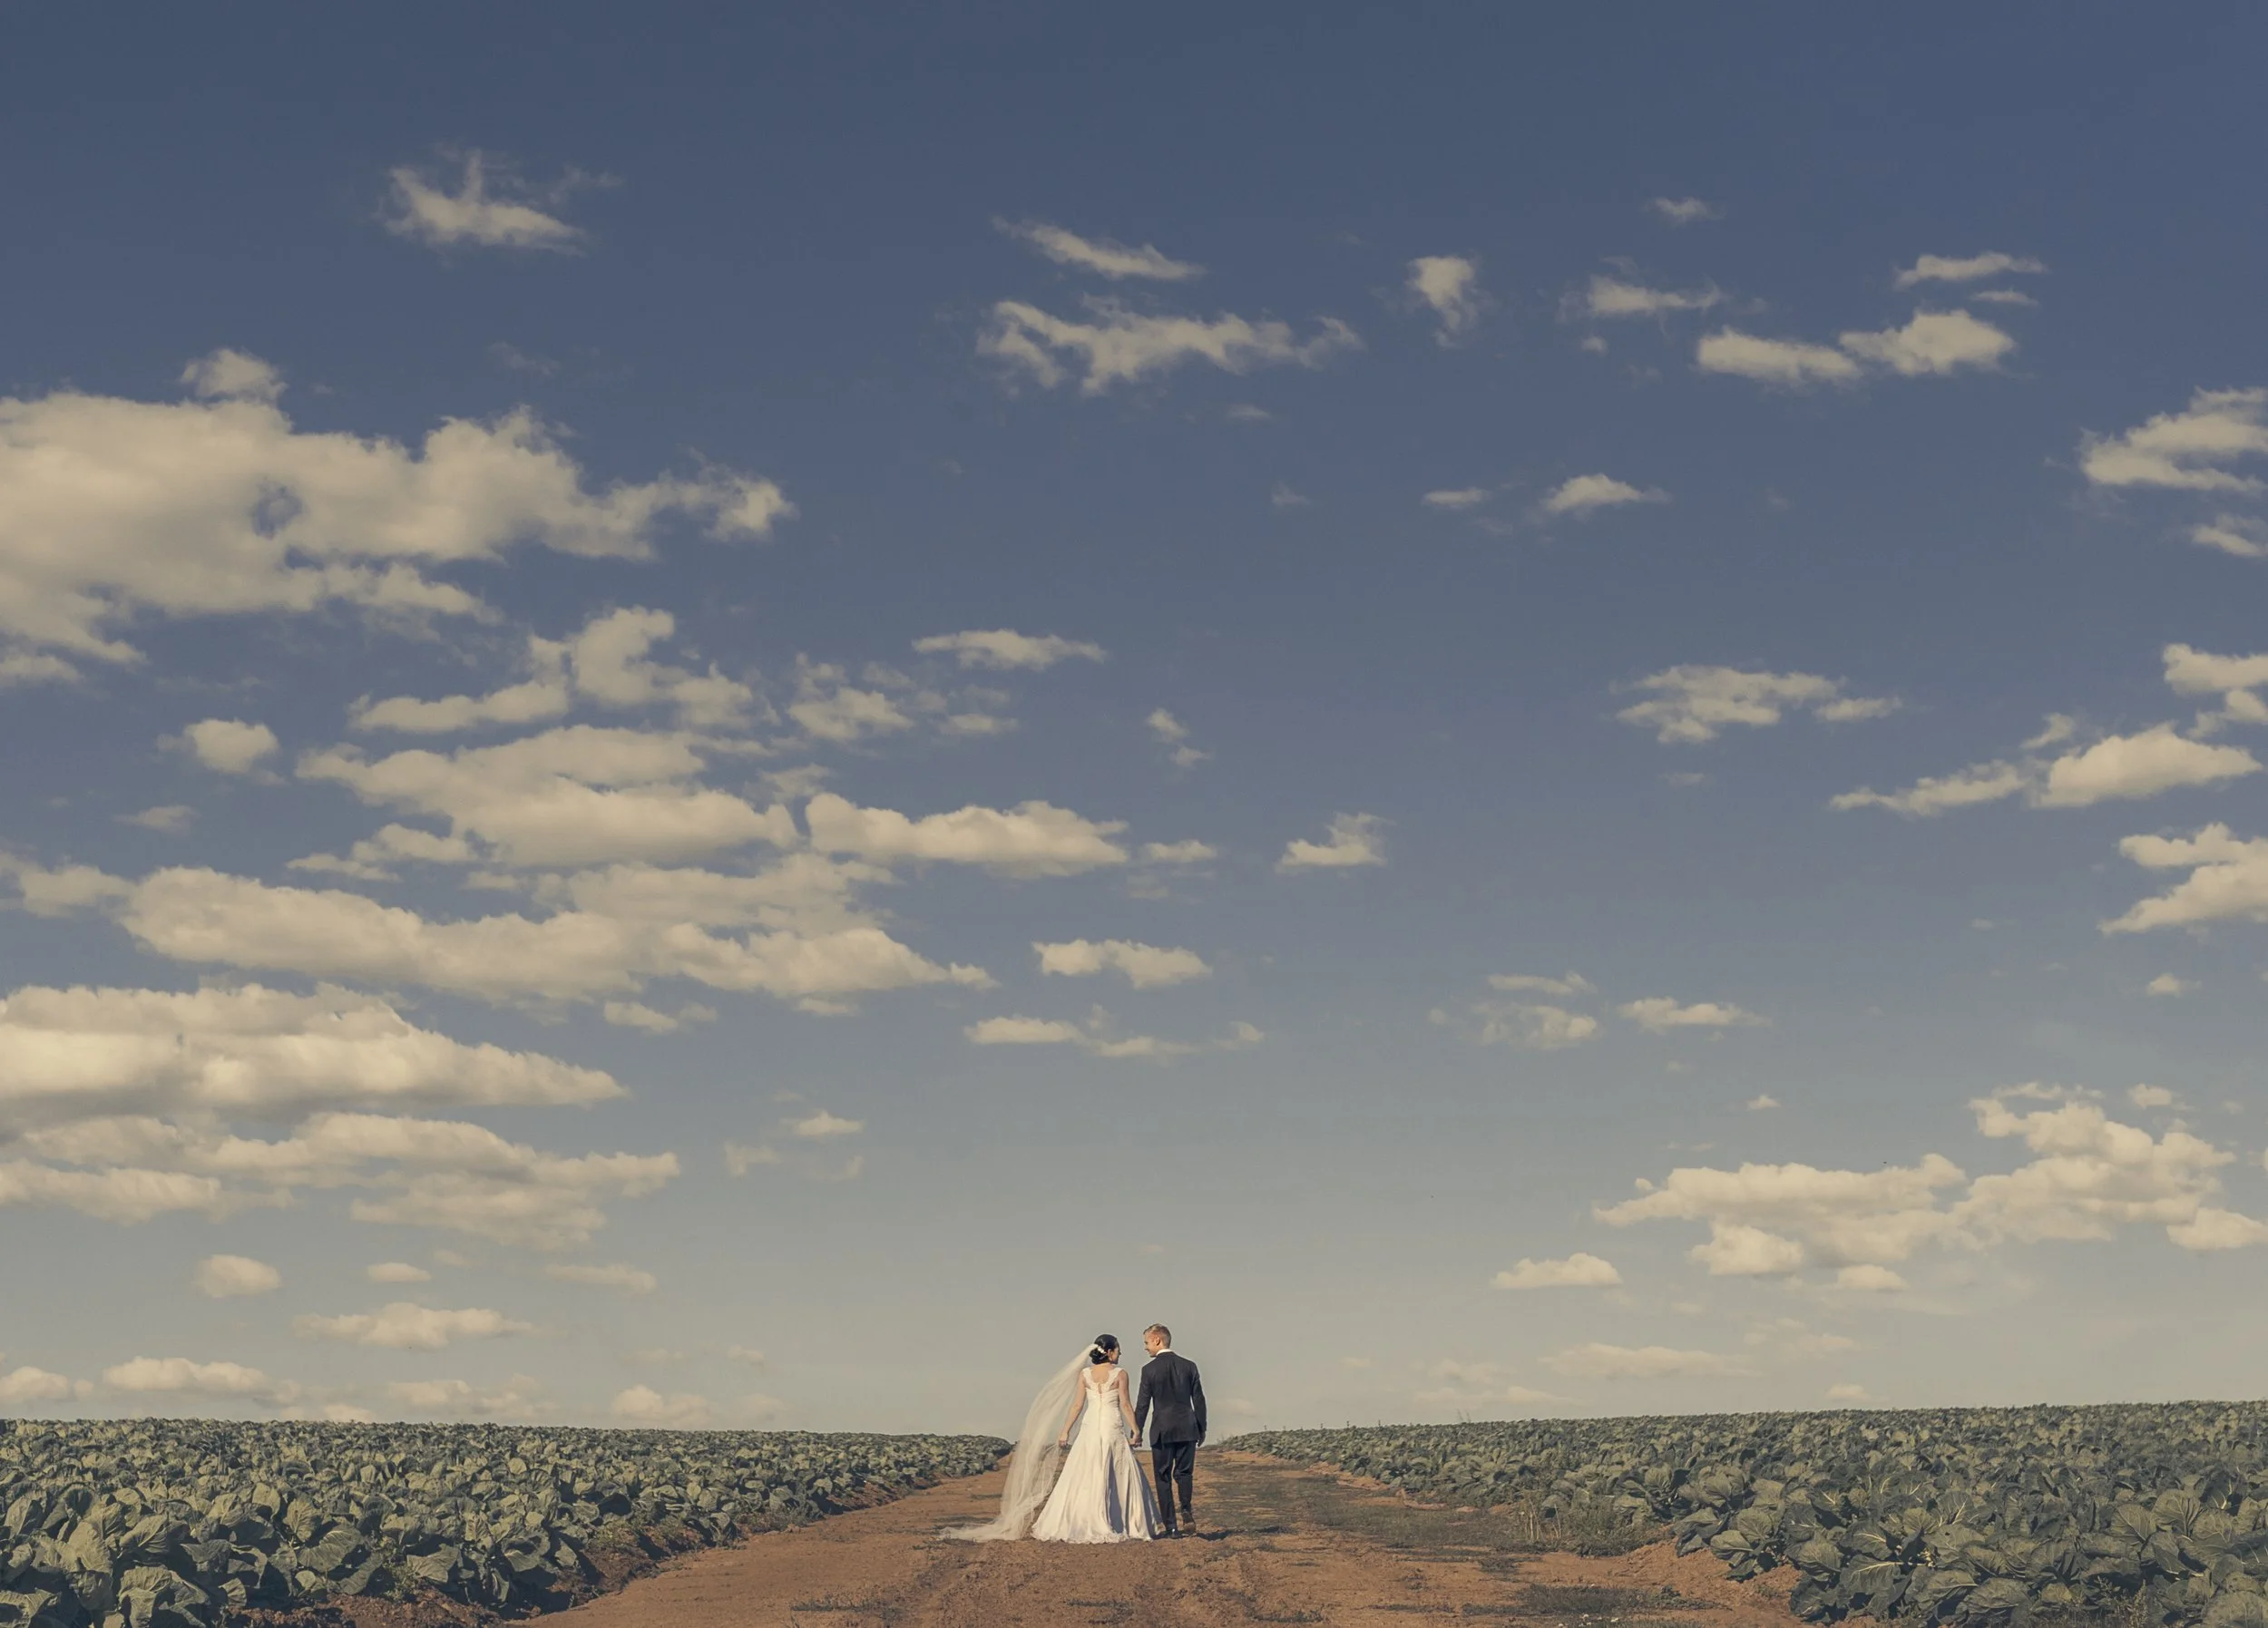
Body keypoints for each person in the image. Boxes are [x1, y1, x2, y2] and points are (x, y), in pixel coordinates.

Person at [943, 1335, 1162, 1543]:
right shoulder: (1120, 1374)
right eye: (1118, 1351)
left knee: (1085, 1470)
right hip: (1110, 1424)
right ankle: (1122, 1519)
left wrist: (1065, 1430)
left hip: (1091, 1425)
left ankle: (1080, 1518)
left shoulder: (1085, 1375)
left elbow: (1077, 1405)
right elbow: (1124, 1404)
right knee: (1116, 1469)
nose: (1119, 1355)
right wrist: (1136, 1430)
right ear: (1111, 1352)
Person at [1134, 1323, 1206, 1538]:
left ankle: (1172, 1527)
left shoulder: (1149, 1370)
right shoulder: (1189, 1366)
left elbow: (1143, 1404)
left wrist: (1136, 1431)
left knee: (1162, 1476)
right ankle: (1186, 1509)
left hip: (1162, 1429)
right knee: (1184, 1473)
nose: (1145, 1348)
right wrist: (1201, 1427)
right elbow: (1199, 1399)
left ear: (1157, 1340)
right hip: (1187, 1427)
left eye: (1146, 1342)